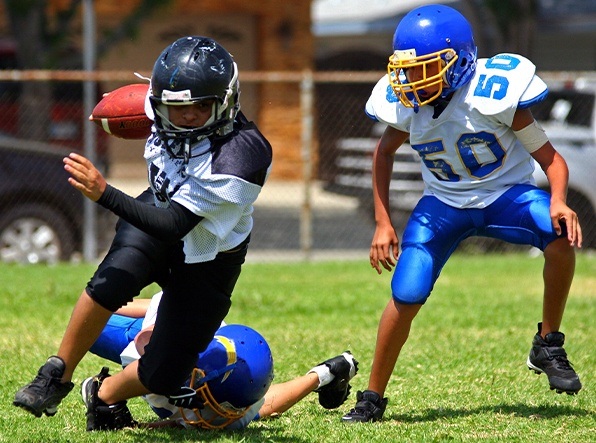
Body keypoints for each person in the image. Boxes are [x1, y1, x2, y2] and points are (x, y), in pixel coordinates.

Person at [13, 36, 274, 430]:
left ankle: (102, 394)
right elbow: (127, 112)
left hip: (208, 251)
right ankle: (55, 374)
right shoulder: (157, 107)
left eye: (201, 106)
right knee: (112, 278)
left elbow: (175, 226)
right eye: (176, 107)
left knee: (164, 374)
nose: (187, 116)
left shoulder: (242, 154)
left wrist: (104, 193)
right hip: (157, 207)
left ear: (226, 100)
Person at [341, 4, 583, 424]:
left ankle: (548, 342)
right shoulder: (408, 106)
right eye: (407, 69)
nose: (412, 80)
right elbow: (382, 155)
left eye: (424, 68)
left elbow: (553, 161)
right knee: (407, 292)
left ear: (459, 62)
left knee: (559, 236)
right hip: (444, 205)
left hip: (506, 195)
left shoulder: (493, 95)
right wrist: (383, 221)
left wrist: (559, 199)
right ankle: (372, 398)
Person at [86, 292, 359, 430]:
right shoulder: (182, 336)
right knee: (91, 324)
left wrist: (321, 375)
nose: (216, 413)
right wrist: (103, 305)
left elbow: (263, 406)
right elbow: (149, 359)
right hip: (152, 330)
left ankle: (330, 372)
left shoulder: (242, 395)